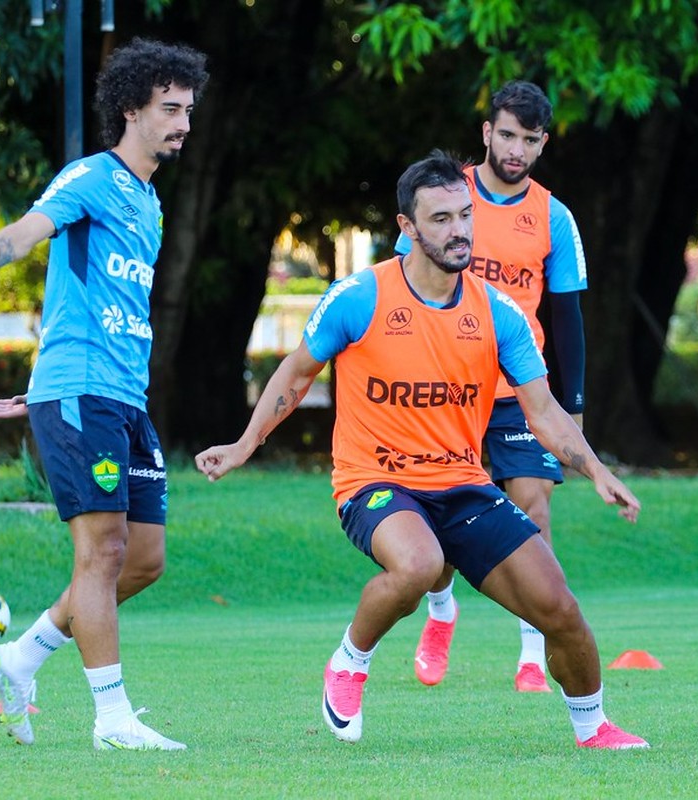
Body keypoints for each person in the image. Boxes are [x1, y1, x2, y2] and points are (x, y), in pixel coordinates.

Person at [196, 150, 649, 750]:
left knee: (560, 609)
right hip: (373, 481)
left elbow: (542, 410)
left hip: (462, 485)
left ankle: (593, 727)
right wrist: (244, 444)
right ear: (407, 226)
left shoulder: (498, 312)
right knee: (419, 565)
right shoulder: (359, 296)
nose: (459, 230)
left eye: (465, 215)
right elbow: (297, 374)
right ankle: (350, 662)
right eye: (440, 219)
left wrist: (595, 470)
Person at [0, 38, 209, 751]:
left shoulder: (151, 204)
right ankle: (112, 721)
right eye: (169, 108)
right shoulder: (91, 178)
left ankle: (20, 658)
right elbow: (27, 233)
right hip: (82, 392)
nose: (183, 123)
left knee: (143, 560)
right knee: (101, 553)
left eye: (189, 109)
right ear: (130, 109)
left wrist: (39, 391)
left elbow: (96, 302)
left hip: (122, 399)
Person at [394, 80, 587, 693]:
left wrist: (573, 409)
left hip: (517, 393)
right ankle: (441, 610)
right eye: (506, 135)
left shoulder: (554, 216)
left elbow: (567, 318)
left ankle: (532, 651)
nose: (515, 149)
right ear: (486, 132)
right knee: (442, 518)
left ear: (543, 143)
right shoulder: (443, 196)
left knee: (533, 504)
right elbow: (400, 286)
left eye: (529, 140)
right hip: (445, 392)